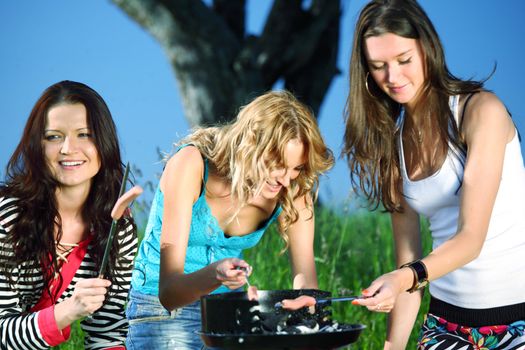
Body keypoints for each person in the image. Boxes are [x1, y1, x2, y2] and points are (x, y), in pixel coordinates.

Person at [342, 0, 525, 349]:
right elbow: (407, 264)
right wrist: (392, 346)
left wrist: (403, 278)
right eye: (378, 66)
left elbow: (471, 239)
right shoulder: (392, 147)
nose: (392, 78)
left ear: (428, 49)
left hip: (517, 321)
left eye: (404, 60)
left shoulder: (481, 111)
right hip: (445, 323)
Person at [126, 90, 334, 349]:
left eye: (297, 167)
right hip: (161, 308)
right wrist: (216, 275)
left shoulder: (293, 189)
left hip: (228, 310)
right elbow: (169, 293)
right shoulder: (192, 165)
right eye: (277, 163)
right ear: (250, 144)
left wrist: (304, 305)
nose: (286, 178)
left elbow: (305, 275)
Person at [0, 81, 139, 349]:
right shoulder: (8, 219)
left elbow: (107, 332)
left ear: (104, 142)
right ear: (37, 146)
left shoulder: (117, 229)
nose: (67, 148)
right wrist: (67, 311)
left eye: (84, 134)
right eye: (53, 136)